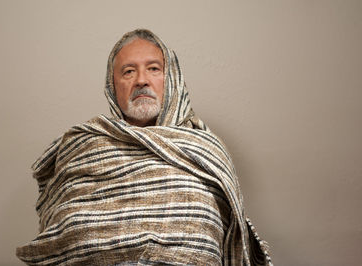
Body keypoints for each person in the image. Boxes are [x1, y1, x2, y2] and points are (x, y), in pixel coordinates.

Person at [16, 29, 272, 266]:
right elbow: (63, 240)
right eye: (128, 71)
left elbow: (220, 239)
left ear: (171, 79)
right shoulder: (80, 149)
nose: (141, 80)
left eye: (153, 69)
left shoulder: (207, 151)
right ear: (112, 86)